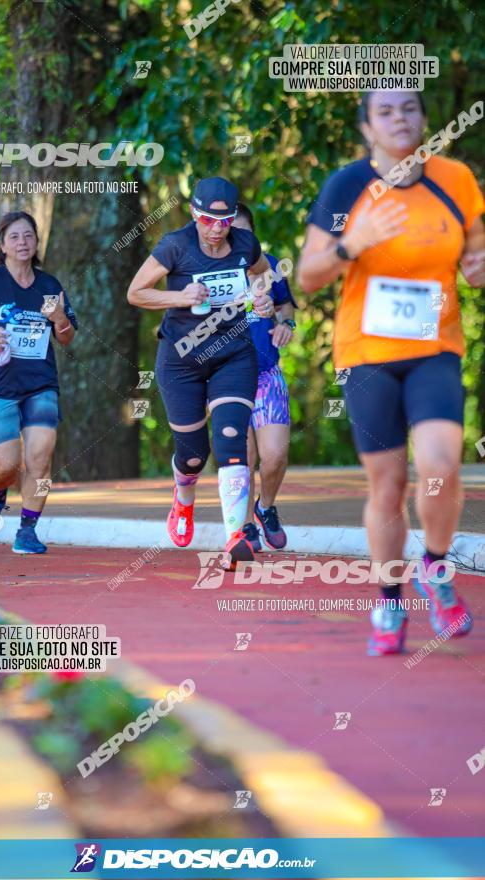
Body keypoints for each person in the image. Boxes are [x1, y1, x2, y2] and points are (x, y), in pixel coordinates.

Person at [297, 89, 485, 655]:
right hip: (367, 355)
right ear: (367, 128)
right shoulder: (345, 188)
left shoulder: (455, 180)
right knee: (388, 486)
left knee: (441, 465)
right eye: (386, 111)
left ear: (425, 120)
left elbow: (476, 261)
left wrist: (479, 265)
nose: (399, 119)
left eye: (409, 109)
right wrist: (352, 244)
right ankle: (388, 597)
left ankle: (433, 564)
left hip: (434, 349)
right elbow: (307, 275)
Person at [127, 177, 275, 568]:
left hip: (234, 355)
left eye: (224, 222)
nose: (215, 230)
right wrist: (179, 296)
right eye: (208, 220)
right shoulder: (175, 245)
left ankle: (234, 536)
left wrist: (262, 300)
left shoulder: (245, 245)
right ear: (195, 214)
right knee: (193, 455)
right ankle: (183, 498)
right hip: (181, 359)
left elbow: (264, 275)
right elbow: (136, 292)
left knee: (231, 440)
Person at [0, 211, 77, 554]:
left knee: (41, 459)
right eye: (14, 237)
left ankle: (28, 529)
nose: (22, 243)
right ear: (2, 245)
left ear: (36, 242)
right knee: (6, 463)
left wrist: (59, 318)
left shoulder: (50, 286)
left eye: (28, 236)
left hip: (40, 384)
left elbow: (66, 338)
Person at [232, 203, 297, 551]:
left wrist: (286, 324)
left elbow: (286, 305)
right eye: (232, 232)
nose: (239, 239)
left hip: (267, 374)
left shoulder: (270, 266)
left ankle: (265, 507)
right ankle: (244, 527)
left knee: (275, 455)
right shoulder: (214, 272)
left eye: (245, 233)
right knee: (242, 457)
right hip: (228, 377)